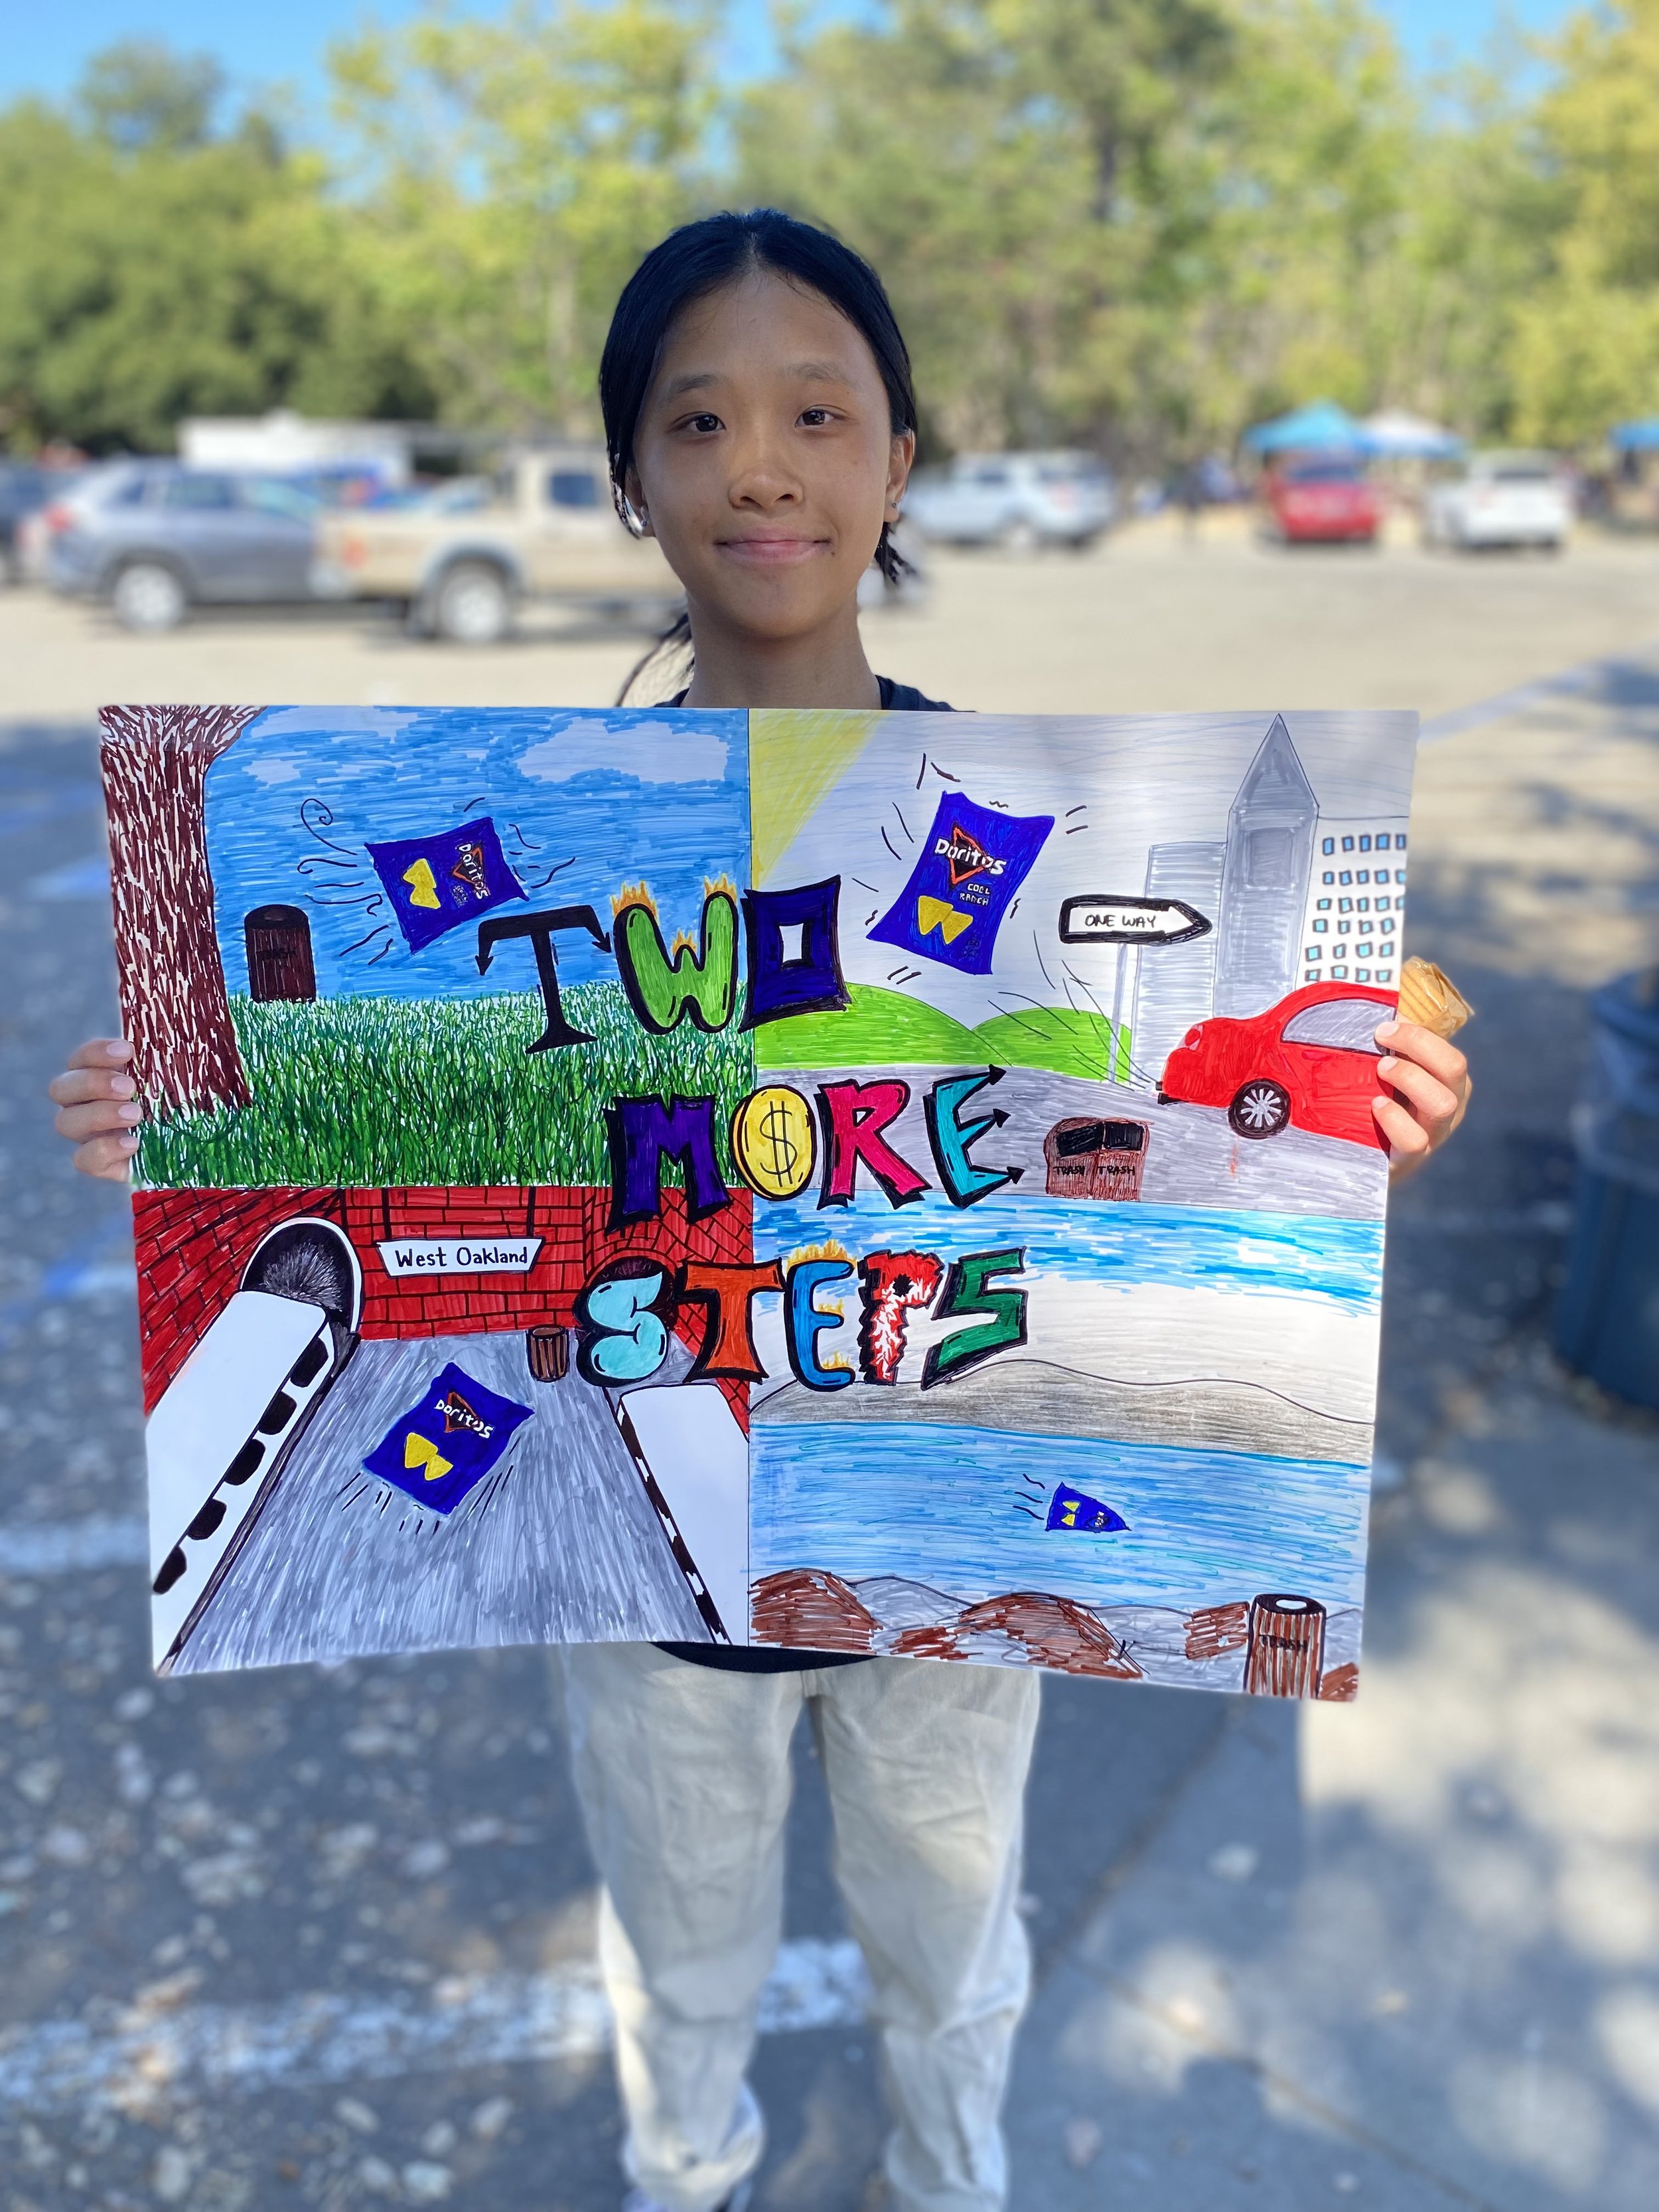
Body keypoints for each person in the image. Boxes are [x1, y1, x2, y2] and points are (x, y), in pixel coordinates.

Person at [48, 211, 1472, 2212]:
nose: (762, 464)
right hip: (648, 1614)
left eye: (819, 410)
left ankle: (945, 2182)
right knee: (680, 1967)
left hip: (949, 1570)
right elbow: (355, 1088)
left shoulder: (1044, 820)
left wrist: (1355, 1129)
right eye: (696, 420)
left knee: (951, 1957)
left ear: (901, 459)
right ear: (630, 475)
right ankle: (687, 2178)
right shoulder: (547, 823)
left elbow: (1160, 1114)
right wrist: (179, 1135)